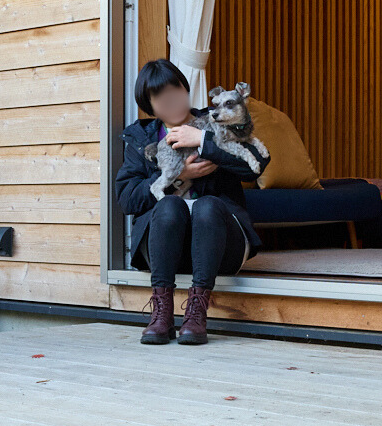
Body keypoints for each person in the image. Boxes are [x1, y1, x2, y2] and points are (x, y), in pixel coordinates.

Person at [115, 58, 270, 345]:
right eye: (160, 97)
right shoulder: (140, 138)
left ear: (186, 91)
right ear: (149, 105)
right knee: (168, 205)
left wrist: (202, 140)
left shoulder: (216, 119)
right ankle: (161, 314)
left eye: (175, 91)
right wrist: (179, 176)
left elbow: (256, 165)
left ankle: (197, 313)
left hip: (219, 248)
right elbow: (127, 199)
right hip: (164, 251)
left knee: (207, 205)